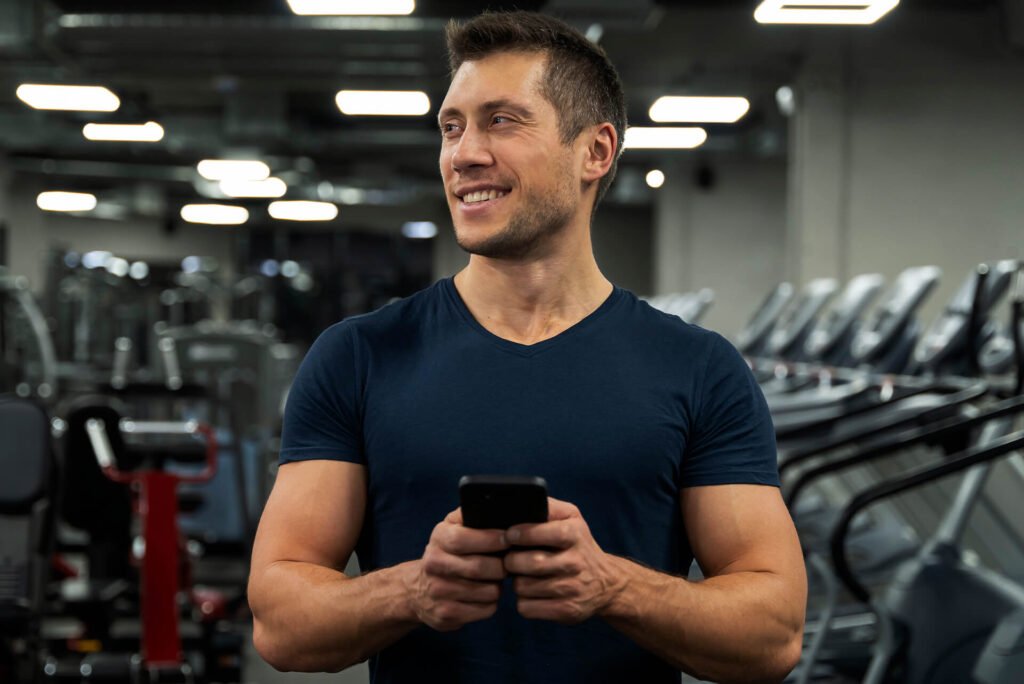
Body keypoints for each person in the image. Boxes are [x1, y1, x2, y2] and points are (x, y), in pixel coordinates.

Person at [248, 10, 806, 684]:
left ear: (595, 152)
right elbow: (280, 622)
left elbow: (774, 634)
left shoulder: (700, 369)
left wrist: (613, 587)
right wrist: (412, 591)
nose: (464, 153)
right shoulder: (357, 357)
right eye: (451, 127)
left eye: (501, 120)